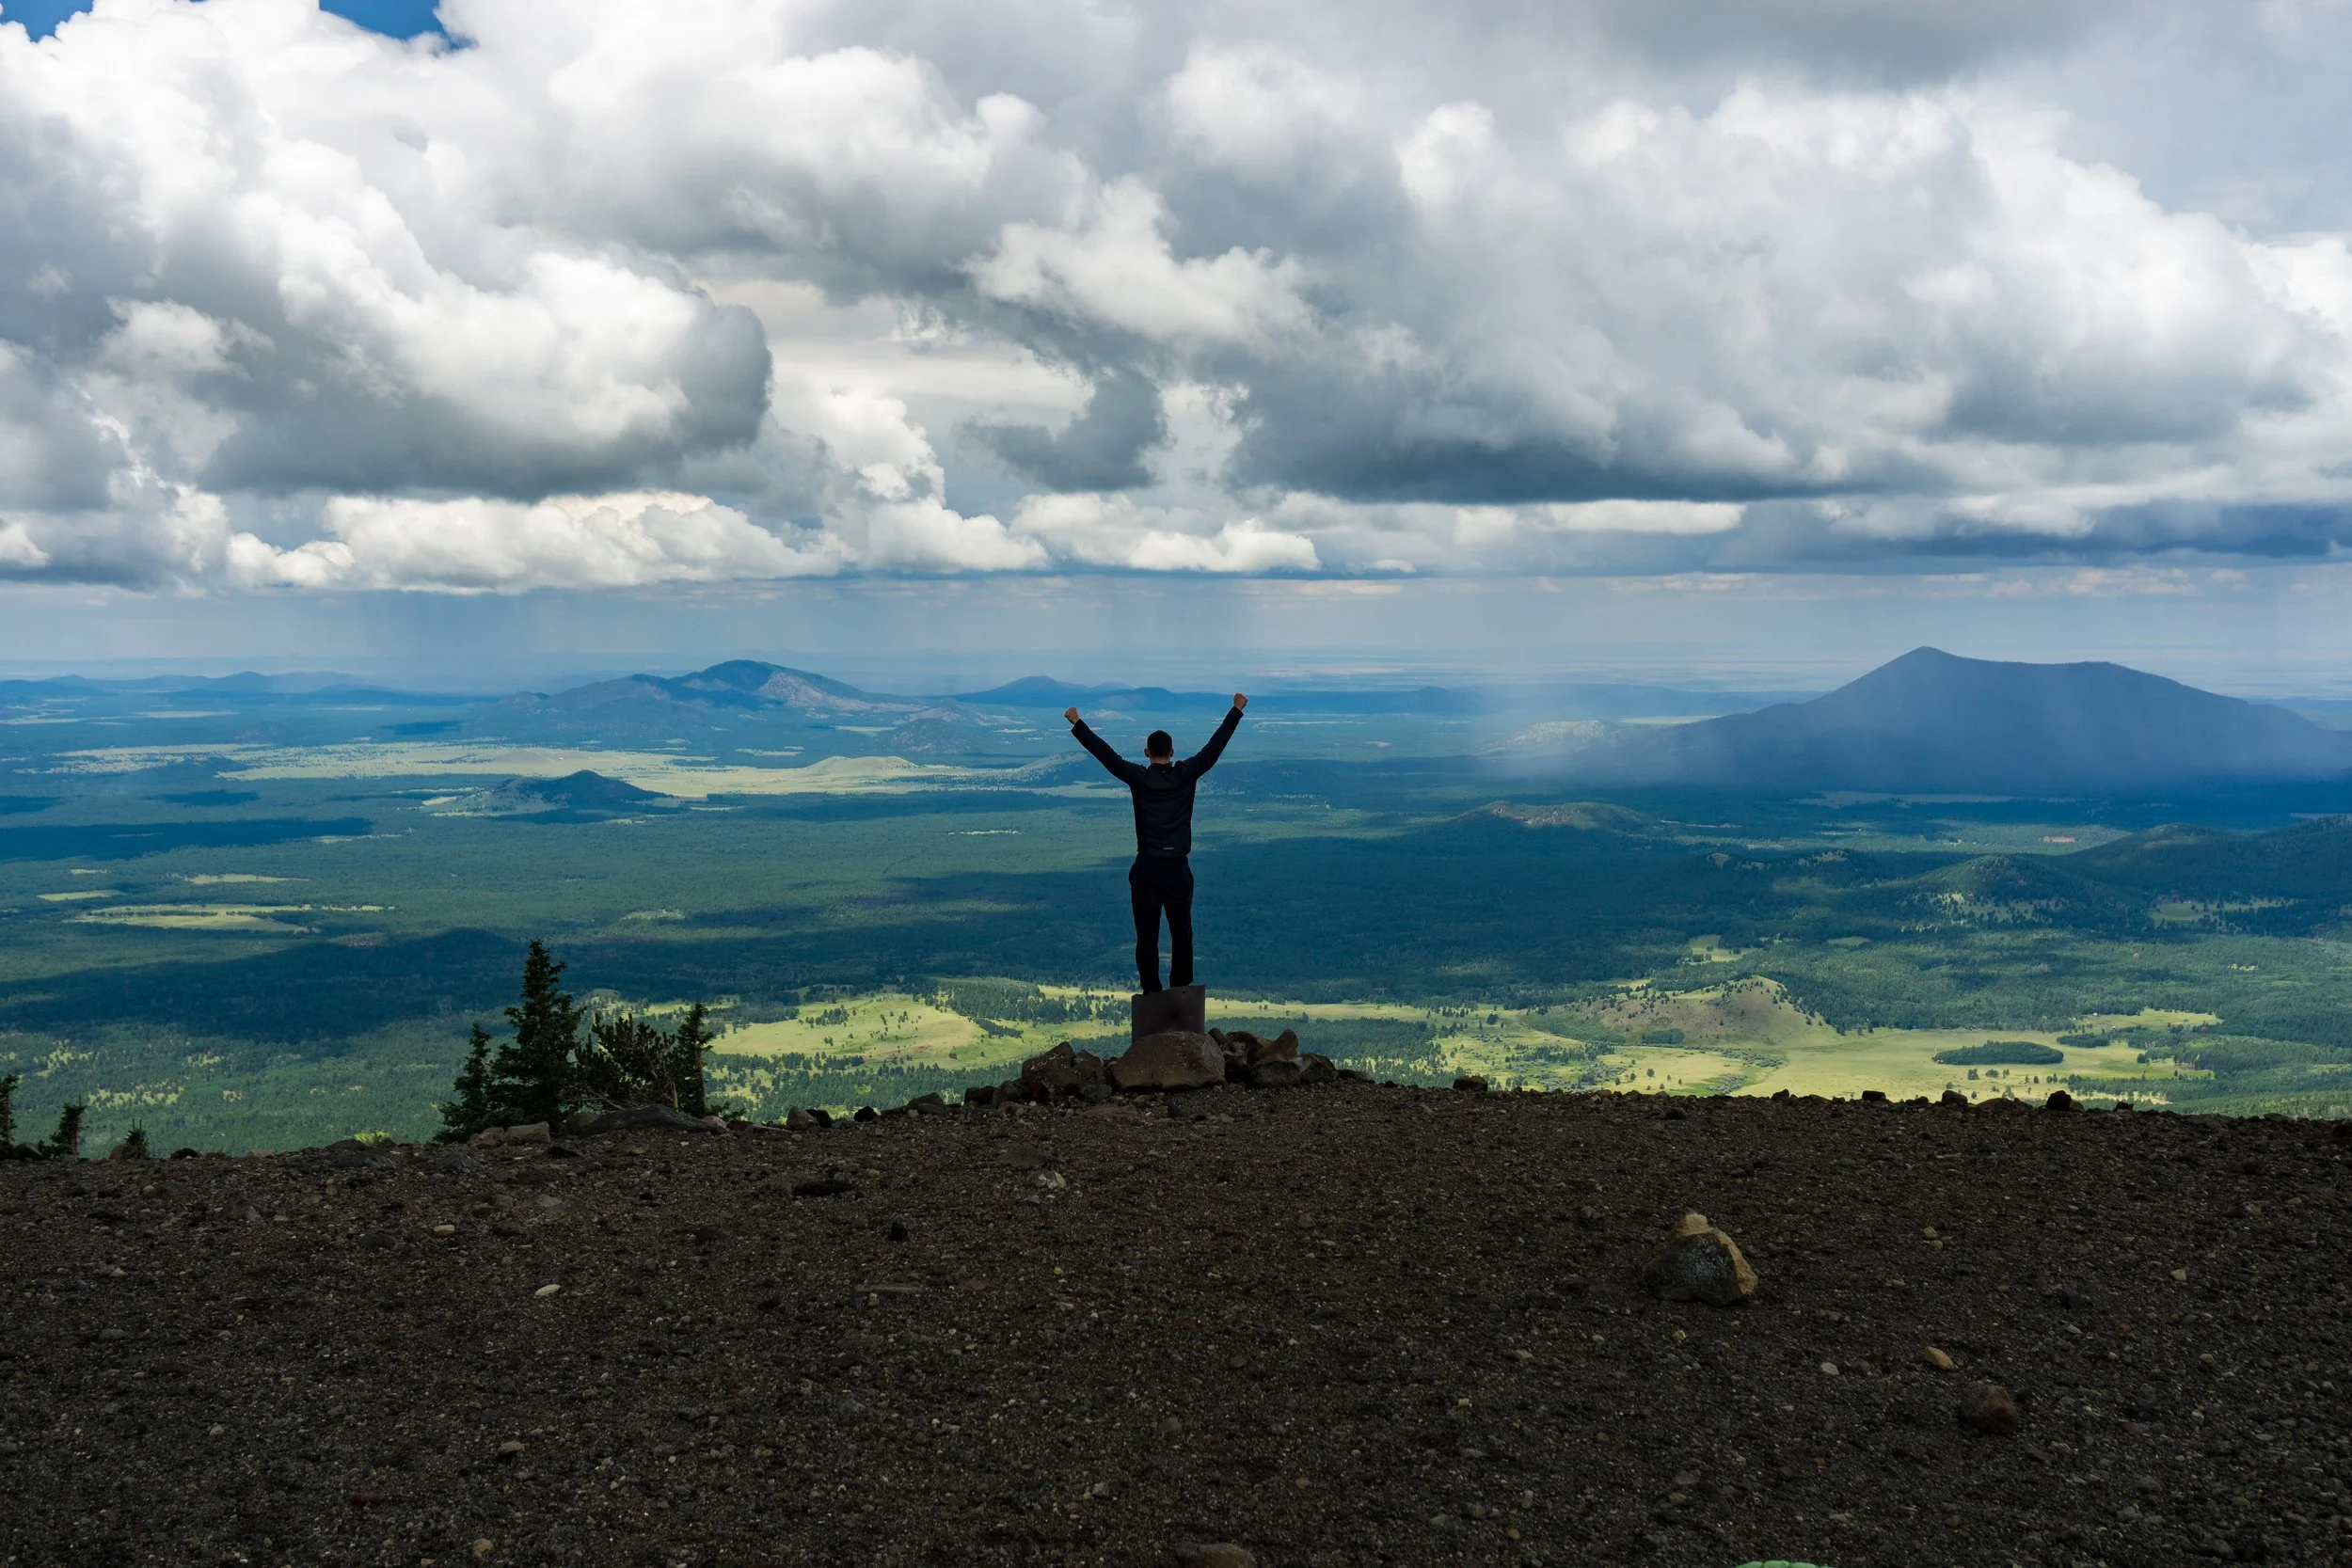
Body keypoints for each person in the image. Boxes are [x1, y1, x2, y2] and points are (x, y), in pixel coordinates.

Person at [1066, 693, 1248, 992]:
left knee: (1147, 937)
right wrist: (1236, 710)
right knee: (1182, 934)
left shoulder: (1139, 777)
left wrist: (1077, 723)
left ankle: (1151, 992)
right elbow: (1214, 748)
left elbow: (1106, 755)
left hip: (1147, 869)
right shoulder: (1185, 774)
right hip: (1177, 869)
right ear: (1172, 751)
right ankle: (1180, 992)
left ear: (1146, 752)